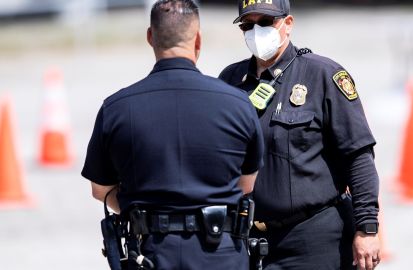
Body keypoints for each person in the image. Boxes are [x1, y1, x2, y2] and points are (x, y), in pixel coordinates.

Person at [81, 1, 264, 269]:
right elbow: (245, 186)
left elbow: (101, 190)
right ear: (198, 40)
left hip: (152, 253)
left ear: (150, 37)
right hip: (221, 253)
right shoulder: (237, 104)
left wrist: (144, 210)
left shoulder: (117, 108)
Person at [219, 1, 381, 269]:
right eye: (248, 25)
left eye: (265, 23)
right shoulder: (230, 81)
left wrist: (367, 229)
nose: (256, 32)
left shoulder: (323, 75)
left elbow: (358, 156)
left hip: (313, 239)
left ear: (288, 24)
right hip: (247, 239)